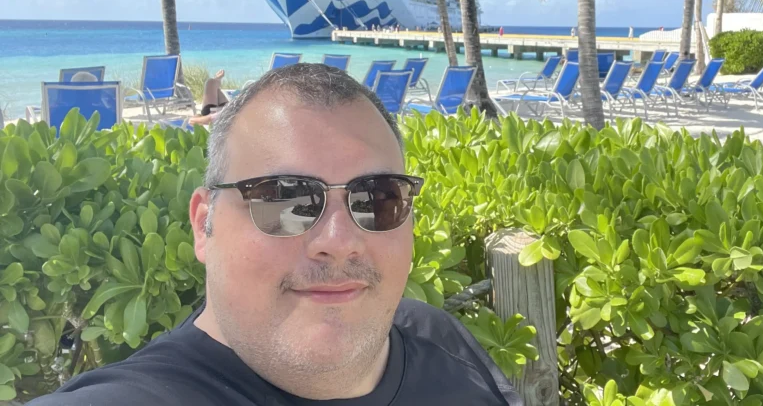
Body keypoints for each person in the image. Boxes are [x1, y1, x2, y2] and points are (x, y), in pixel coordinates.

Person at [30, 64, 521, 406]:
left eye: (376, 196)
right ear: (206, 223)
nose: (339, 239)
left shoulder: (441, 340)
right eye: (284, 199)